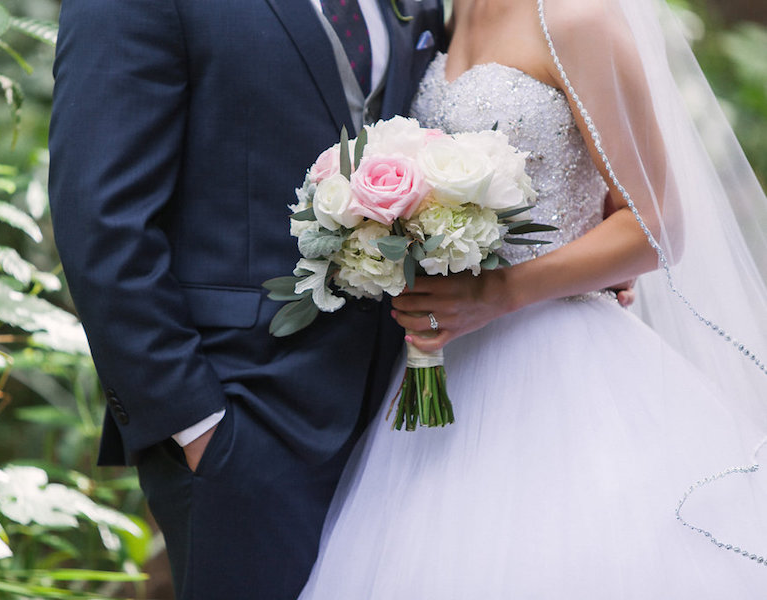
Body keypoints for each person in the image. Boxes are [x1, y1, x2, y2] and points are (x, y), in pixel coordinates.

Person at [298, 0, 767, 597]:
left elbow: (656, 225)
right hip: (447, 363)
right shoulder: (449, 12)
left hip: (562, 366)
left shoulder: (578, 18)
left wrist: (497, 292)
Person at [47, 1, 446, 598]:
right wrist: (196, 424)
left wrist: (567, 262)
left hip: (408, 422)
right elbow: (101, 219)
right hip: (242, 418)